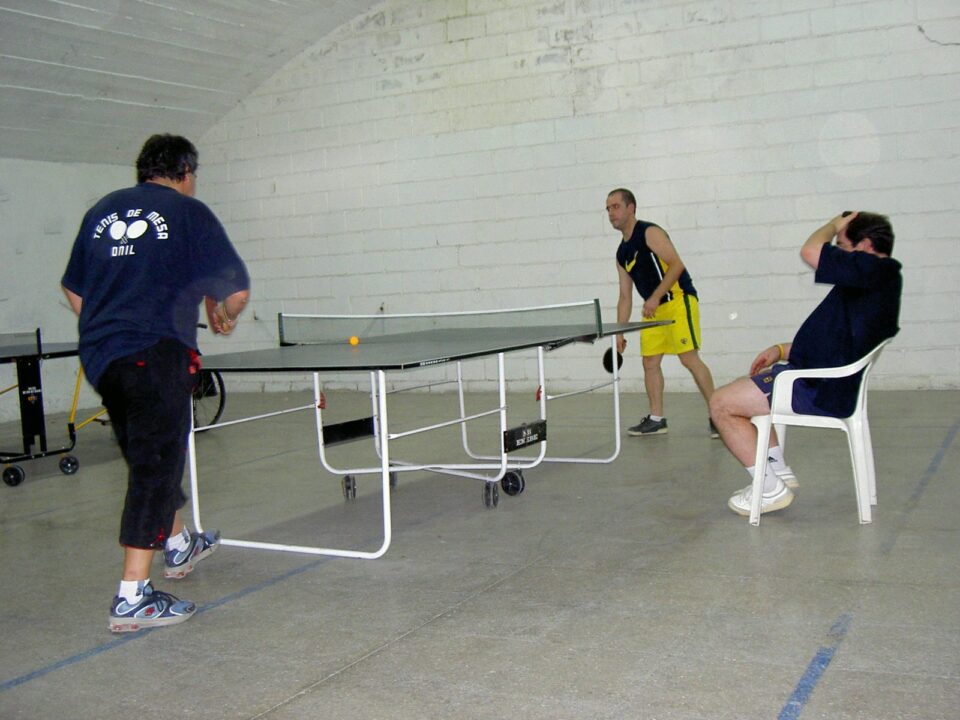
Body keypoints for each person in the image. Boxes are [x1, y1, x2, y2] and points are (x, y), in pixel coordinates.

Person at [61, 134, 251, 632]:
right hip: (156, 353)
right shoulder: (189, 213)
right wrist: (224, 316)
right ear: (185, 172)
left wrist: (113, 320)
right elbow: (235, 292)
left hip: (103, 357)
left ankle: (179, 542)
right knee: (155, 466)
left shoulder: (103, 210)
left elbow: (73, 289)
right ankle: (133, 596)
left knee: (148, 453)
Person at [710, 211, 902, 516]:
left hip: (820, 388)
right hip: (822, 380)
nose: (836, 252)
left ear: (864, 246)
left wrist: (834, 224)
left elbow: (810, 251)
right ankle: (777, 472)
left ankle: (769, 489)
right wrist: (781, 349)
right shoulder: (873, 281)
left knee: (721, 403)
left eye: (842, 244)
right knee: (744, 387)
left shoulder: (874, 270)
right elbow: (834, 340)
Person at [606, 188, 717, 437]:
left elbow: (677, 264)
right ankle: (657, 419)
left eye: (616, 206)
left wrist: (656, 296)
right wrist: (619, 332)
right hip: (652, 310)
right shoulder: (621, 253)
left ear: (631, 208)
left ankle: (718, 414)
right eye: (608, 209)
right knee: (650, 363)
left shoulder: (649, 232)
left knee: (689, 358)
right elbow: (625, 296)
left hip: (677, 300)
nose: (611, 213)